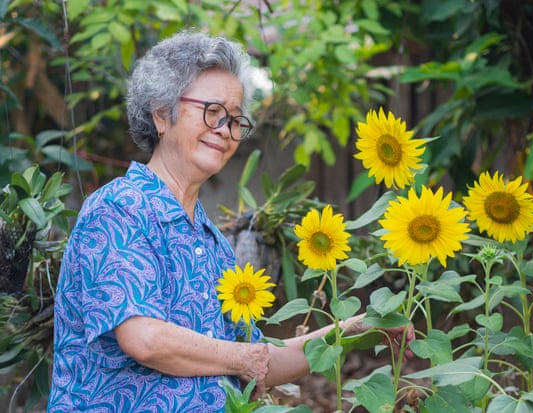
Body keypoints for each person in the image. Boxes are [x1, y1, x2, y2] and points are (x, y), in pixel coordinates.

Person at [47, 30, 414, 412]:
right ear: (160, 113)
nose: (225, 130)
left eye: (236, 119)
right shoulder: (120, 209)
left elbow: (260, 360)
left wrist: (354, 331)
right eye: (212, 112)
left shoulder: (211, 242)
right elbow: (145, 339)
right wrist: (241, 358)